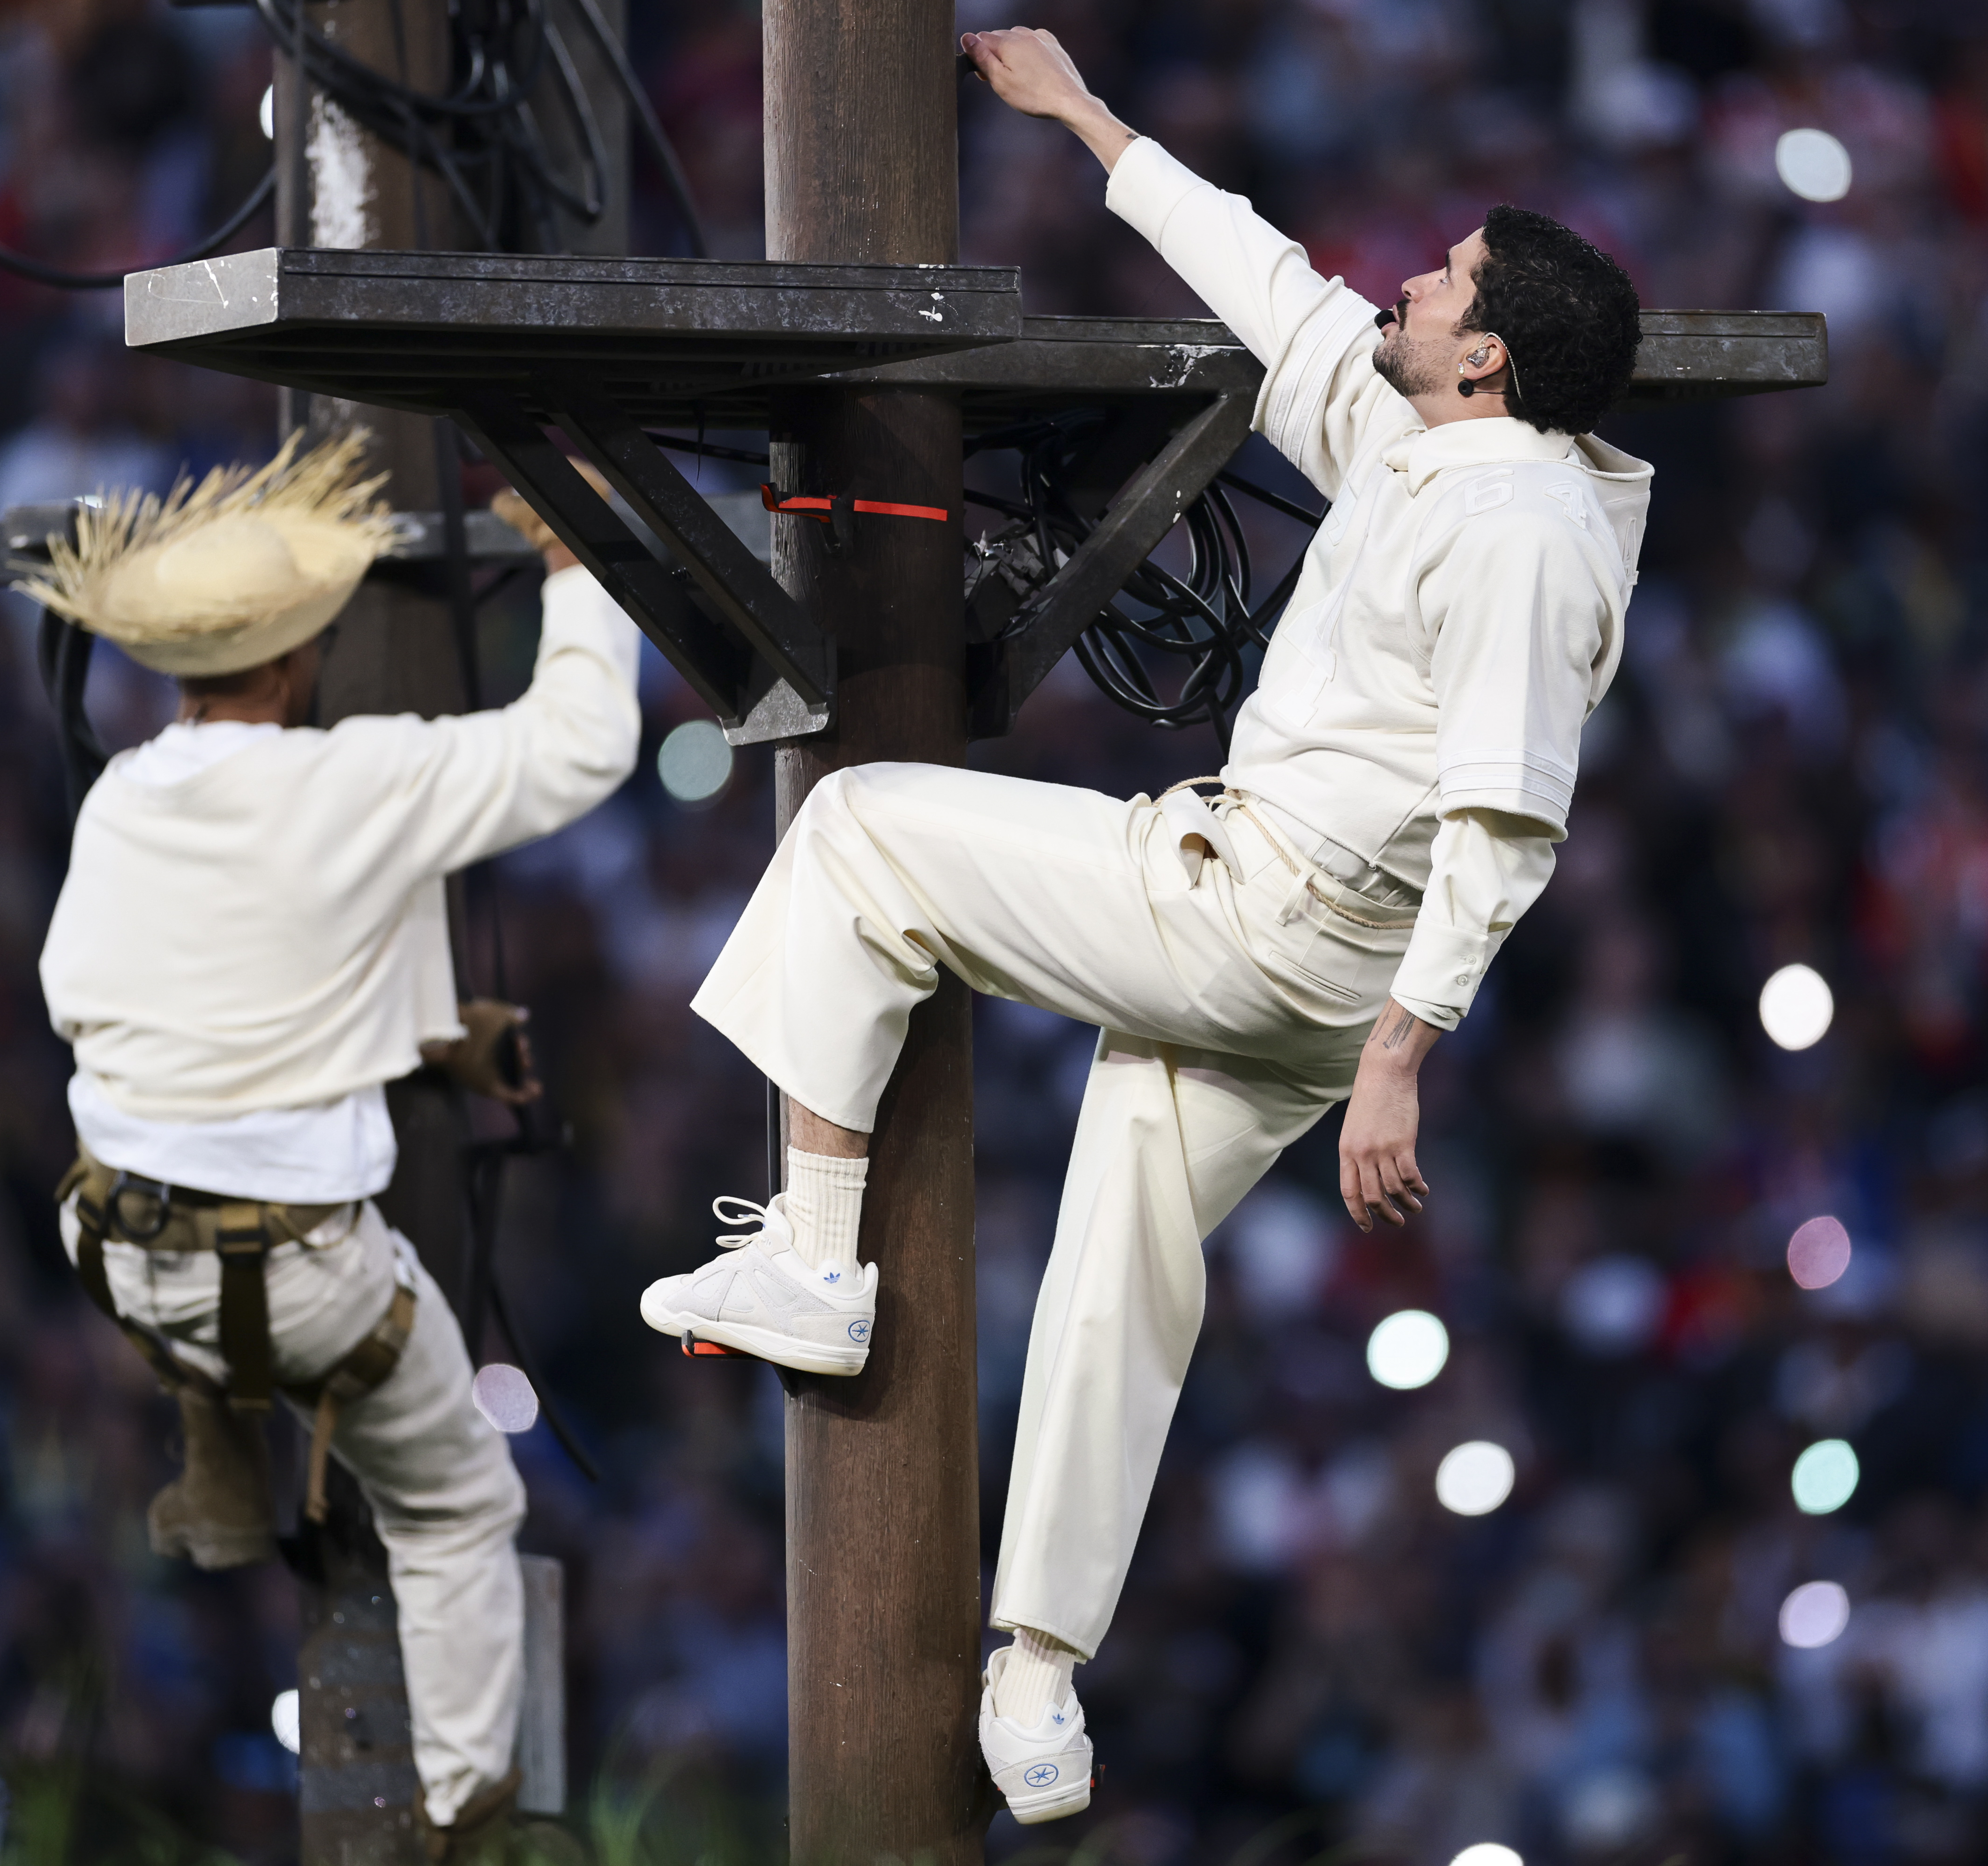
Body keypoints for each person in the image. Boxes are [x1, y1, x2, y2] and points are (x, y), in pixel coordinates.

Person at [639, 23, 1652, 1825]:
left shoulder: (1516, 524)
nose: (1405, 281)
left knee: (862, 831)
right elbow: (1284, 290)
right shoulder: (1447, 455)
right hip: (1299, 971)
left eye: (1445, 277)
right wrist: (1089, 117)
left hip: (1283, 922)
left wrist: (1400, 1072)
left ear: (1486, 355)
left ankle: (810, 1254)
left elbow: (1509, 822)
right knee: (1123, 1267)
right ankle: (1037, 1675)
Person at [27, 431, 643, 1851]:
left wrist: (423, 1032)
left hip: (115, 1247)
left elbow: (98, 998)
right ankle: (460, 1803)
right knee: (456, 1504)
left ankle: (217, 1441)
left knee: (201, 1218)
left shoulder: (123, 795)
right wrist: (577, 563)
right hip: (307, 1278)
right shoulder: (349, 782)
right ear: (299, 659)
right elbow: (582, 749)